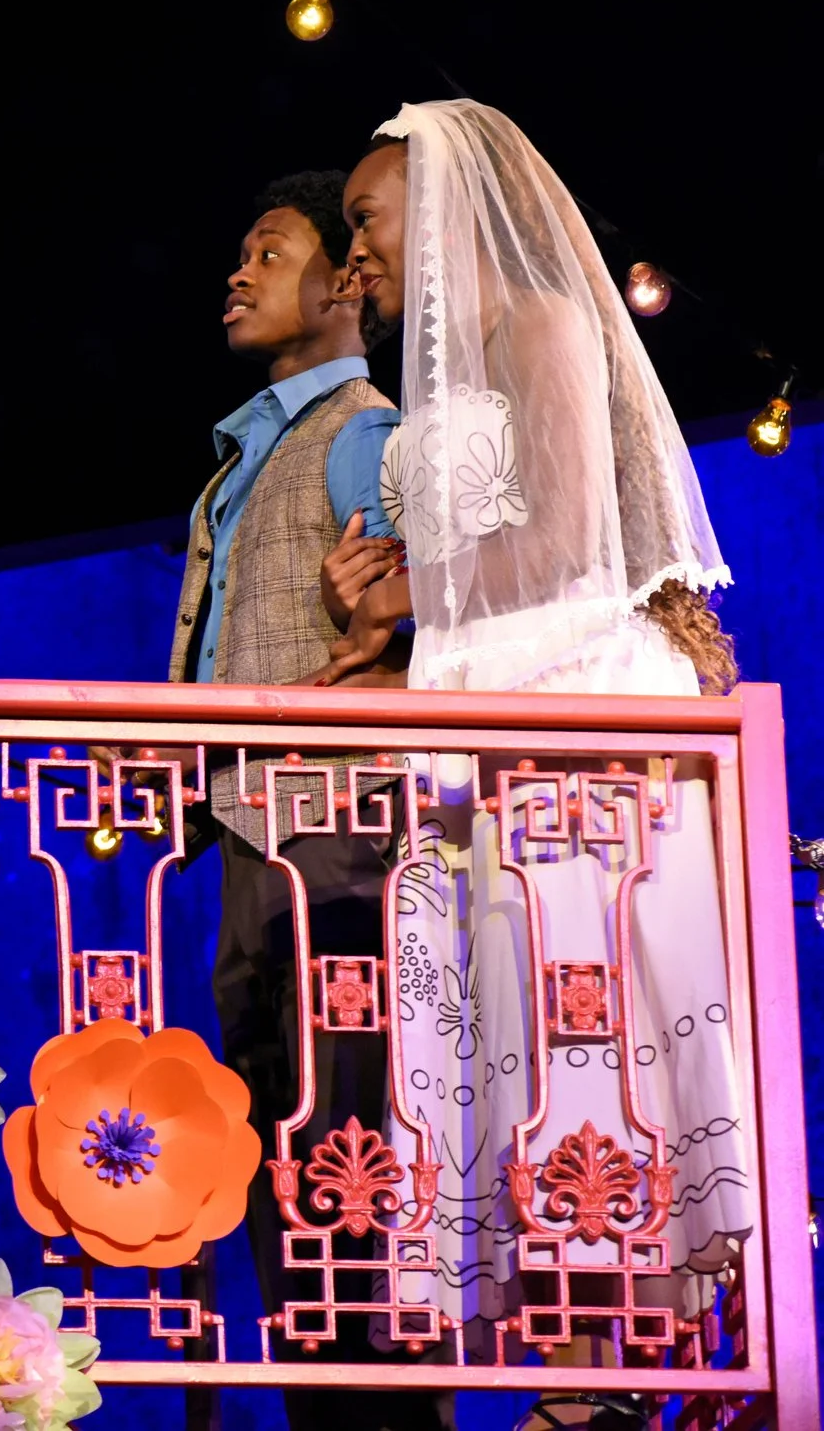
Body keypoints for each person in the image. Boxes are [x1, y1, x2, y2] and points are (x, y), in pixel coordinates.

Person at [325, 101, 751, 1424]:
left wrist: (404, 606)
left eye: (367, 220)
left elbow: (570, 544)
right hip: (482, 705)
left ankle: (595, 1374)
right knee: (508, 1028)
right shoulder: (445, 375)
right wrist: (399, 605)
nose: (358, 257)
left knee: (587, 1020)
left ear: (442, 202)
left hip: (573, 699)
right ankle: (563, 1368)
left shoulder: (549, 329)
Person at [168, 172, 446, 1430]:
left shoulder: (359, 431)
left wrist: (385, 634)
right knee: (282, 1140)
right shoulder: (254, 449)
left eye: (266, 250)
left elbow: (442, 603)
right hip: (254, 835)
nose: (237, 272)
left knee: (343, 1149)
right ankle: (322, 1399)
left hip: (336, 837)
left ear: (343, 281)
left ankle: (379, 1408)